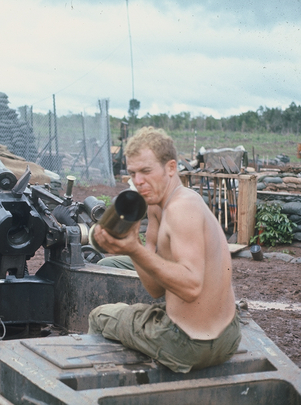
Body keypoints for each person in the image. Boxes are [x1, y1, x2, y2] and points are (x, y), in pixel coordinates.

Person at [88, 126, 241, 373]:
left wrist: (135, 250)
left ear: (171, 168)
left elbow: (191, 287)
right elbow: (156, 288)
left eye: (146, 171)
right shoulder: (160, 205)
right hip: (226, 336)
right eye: (133, 173)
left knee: (100, 316)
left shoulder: (182, 208)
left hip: (189, 342)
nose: (138, 181)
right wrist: (133, 246)